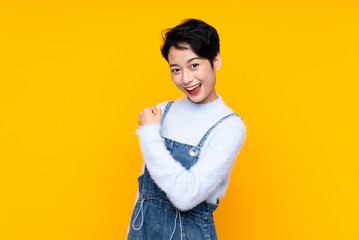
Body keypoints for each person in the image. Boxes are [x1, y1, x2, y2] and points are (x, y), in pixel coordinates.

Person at [126, 18, 247, 240]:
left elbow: (186, 196)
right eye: (176, 69)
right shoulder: (162, 112)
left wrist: (150, 135)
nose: (186, 79)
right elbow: (144, 192)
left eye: (194, 65)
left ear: (216, 60)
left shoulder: (229, 126)